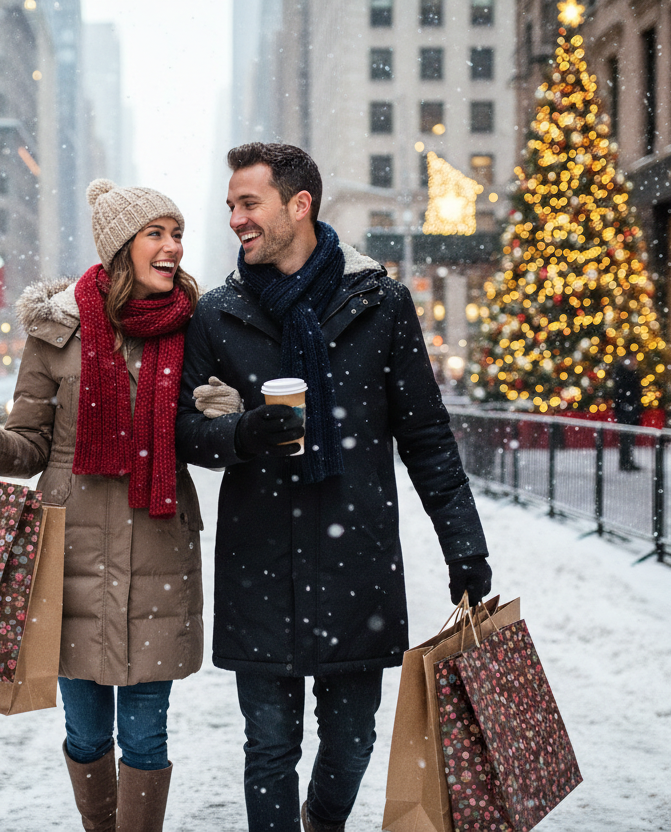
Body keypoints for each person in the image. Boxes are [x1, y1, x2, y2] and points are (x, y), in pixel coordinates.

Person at [176, 143, 491, 832]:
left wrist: (465, 547)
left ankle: (323, 823)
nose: (235, 219)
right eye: (231, 205)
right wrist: (242, 435)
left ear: (299, 205)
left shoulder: (380, 303)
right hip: (259, 565)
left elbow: (428, 439)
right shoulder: (218, 314)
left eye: (248, 203)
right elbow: (184, 434)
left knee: (352, 745)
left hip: (358, 565)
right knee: (269, 749)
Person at [0, 180, 203, 832]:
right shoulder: (56, 330)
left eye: (177, 232)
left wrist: (218, 416)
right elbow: (31, 442)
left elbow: (207, 433)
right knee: (87, 736)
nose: (173, 246)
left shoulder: (191, 326)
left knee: (146, 739)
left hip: (158, 544)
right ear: (123, 245)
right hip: (69, 554)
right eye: (157, 232)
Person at [613, 353, 642, 471]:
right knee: (626, 438)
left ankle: (627, 461)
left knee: (629, 438)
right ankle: (625, 462)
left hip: (630, 410)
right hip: (626, 410)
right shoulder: (623, 375)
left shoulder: (631, 374)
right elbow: (622, 394)